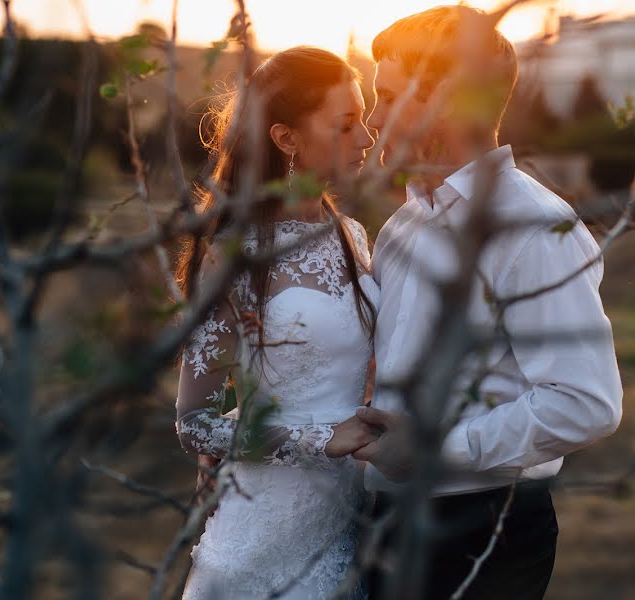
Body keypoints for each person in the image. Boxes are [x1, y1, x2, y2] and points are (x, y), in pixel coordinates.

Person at [354, 6, 624, 599]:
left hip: (483, 532)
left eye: (389, 98)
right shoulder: (400, 228)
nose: (373, 120)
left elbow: (586, 403)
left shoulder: (531, 228)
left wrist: (430, 450)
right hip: (385, 525)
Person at [174, 46, 377, 599]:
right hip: (264, 528)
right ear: (286, 138)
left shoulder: (352, 236)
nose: (368, 137)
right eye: (345, 123)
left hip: (346, 516)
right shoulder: (234, 256)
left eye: (365, 117)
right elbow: (194, 421)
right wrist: (321, 440)